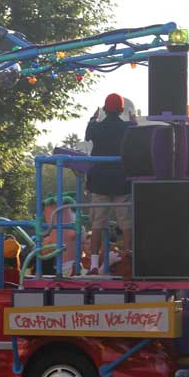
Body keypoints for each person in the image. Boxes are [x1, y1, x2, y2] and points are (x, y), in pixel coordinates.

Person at [84, 93, 136, 277]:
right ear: (122, 109)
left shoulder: (96, 127)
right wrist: (134, 119)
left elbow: (88, 133)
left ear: (105, 109)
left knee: (98, 223)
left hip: (99, 181)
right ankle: (129, 258)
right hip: (122, 180)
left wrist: (93, 117)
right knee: (126, 222)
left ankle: (94, 264)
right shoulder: (128, 128)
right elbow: (136, 135)